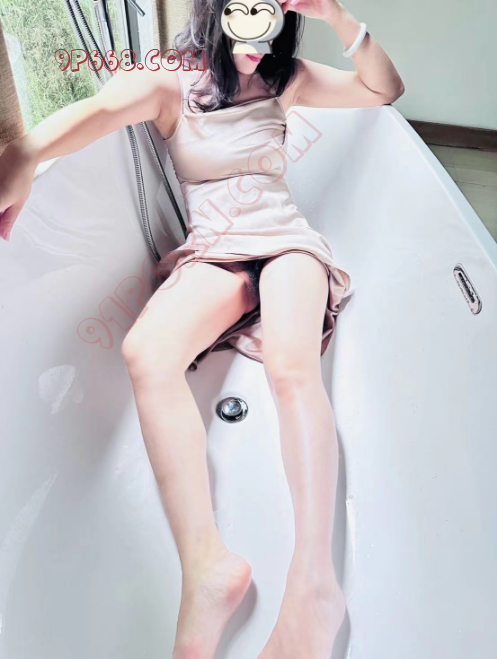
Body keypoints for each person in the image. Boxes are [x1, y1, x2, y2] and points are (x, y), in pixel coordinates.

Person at [0, 1, 404, 656]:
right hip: (215, 252)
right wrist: (25, 151)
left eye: (272, 15)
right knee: (146, 351)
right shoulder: (172, 79)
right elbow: (97, 113)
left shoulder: (286, 78)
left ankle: (314, 585)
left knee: (291, 365)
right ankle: (206, 567)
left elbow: (382, 89)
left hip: (287, 244)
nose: (259, 31)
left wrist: (336, 15)